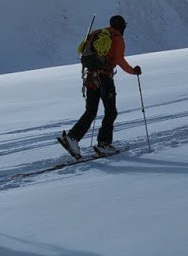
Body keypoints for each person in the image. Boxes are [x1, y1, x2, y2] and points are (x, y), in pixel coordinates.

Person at [58, 14, 141, 158]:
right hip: (104, 78)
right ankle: (104, 144)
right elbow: (119, 60)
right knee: (111, 111)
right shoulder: (117, 39)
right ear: (122, 26)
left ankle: (71, 138)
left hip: (90, 77)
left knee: (91, 111)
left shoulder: (97, 34)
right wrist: (133, 71)